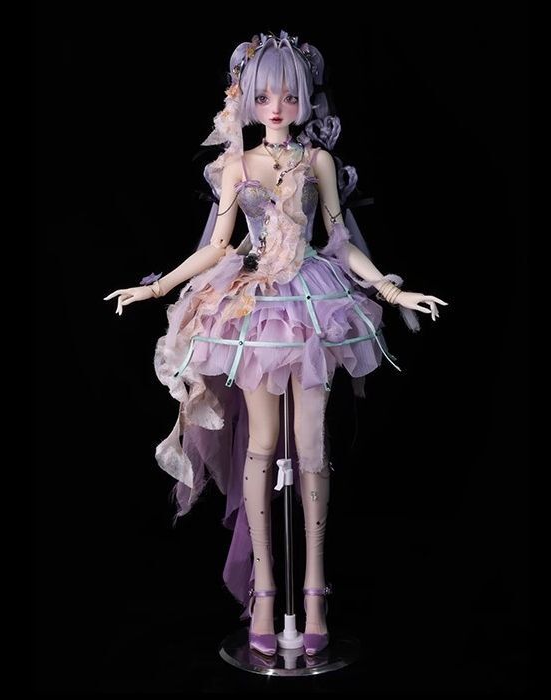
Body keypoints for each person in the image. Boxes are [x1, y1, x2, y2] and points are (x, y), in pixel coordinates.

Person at [104, 31, 447, 657]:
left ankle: (314, 591)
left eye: (289, 95)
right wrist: (156, 289)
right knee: (262, 443)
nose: (277, 107)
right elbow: (219, 244)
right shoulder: (237, 166)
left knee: (312, 443)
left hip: (313, 301)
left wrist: (392, 292)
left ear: (306, 98)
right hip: (257, 308)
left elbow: (338, 237)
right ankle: (265, 591)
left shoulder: (317, 161)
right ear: (247, 99)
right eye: (264, 96)